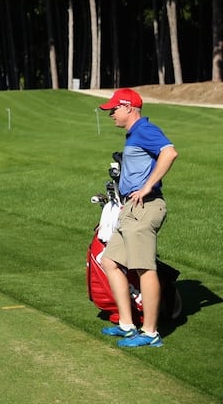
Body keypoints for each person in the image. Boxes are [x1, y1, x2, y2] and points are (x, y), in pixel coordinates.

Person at [98, 88, 178, 348]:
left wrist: (146, 186)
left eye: (114, 109)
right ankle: (127, 325)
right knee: (110, 261)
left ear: (128, 108)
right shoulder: (135, 134)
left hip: (147, 205)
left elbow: (169, 152)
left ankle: (151, 332)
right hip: (132, 209)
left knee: (144, 267)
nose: (111, 114)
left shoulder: (145, 129)